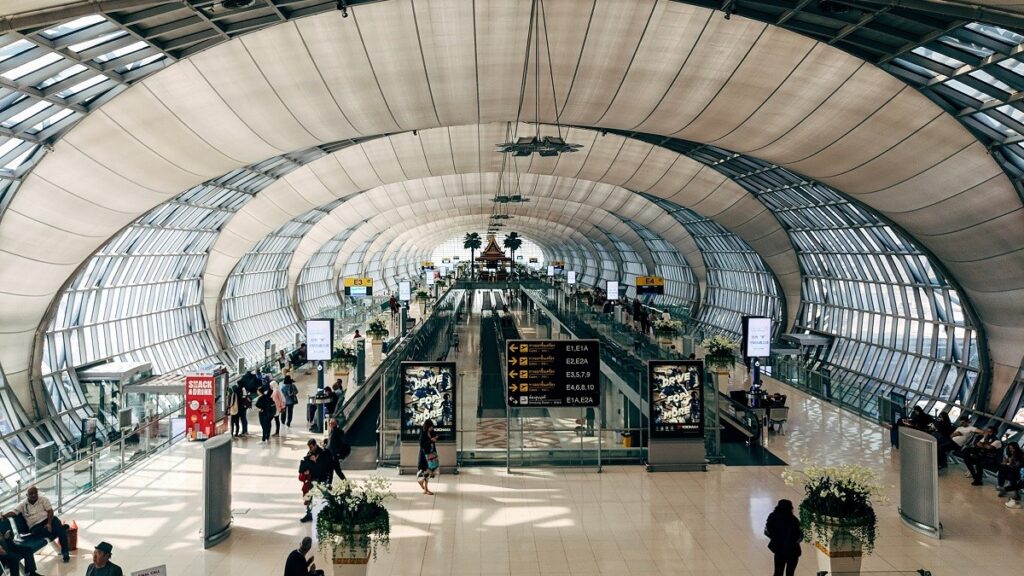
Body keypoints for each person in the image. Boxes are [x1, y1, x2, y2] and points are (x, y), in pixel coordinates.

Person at [3, 486, 69, 562]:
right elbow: (13, 512)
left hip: (48, 521)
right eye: (31, 493)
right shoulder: (23, 504)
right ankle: (61, 528)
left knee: (56, 523)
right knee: (59, 530)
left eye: (35, 493)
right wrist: (3, 516)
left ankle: (65, 552)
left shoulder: (43, 499)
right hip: (36, 526)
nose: (34, 495)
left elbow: (50, 511)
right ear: (27, 495)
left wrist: (49, 524)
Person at [764, 499, 802, 576]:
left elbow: (767, 531)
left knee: (778, 572)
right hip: (793, 551)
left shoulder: (773, 516)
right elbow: (799, 536)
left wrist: (774, 538)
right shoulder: (794, 520)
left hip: (779, 550)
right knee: (790, 573)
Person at [417, 419, 438, 496]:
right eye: (430, 427)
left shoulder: (432, 432)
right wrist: (430, 441)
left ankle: (422, 483)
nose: (432, 428)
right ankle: (425, 488)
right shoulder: (423, 434)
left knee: (431, 471)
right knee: (427, 471)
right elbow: (422, 445)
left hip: (432, 455)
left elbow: (434, 439)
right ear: (427, 427)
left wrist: (434, 439)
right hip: (425, 456)